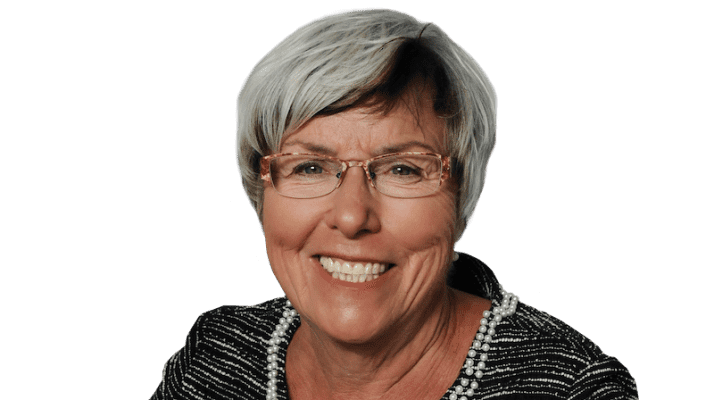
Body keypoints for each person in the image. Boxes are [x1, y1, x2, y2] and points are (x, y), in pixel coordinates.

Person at [150, 8, 638, 400]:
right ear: (261, 193)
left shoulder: (572, 389)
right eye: (310, 167)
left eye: (402, 169)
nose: (351, 216)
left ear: (462, 197)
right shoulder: (217, 356)